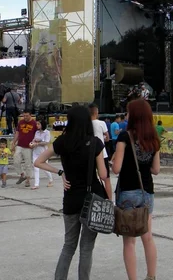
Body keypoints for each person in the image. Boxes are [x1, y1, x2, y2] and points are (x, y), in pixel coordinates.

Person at [34, 105, 108, 280]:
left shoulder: (62, 141)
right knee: (87, 248)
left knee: (68, 246)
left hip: (71, 197)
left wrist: (60, 172)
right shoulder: (95, 143)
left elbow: (38, 161)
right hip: (93, 200)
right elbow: (104, 175)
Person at [111, 99, 160, 280]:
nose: (126, 115)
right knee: (147, 237)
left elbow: (116, 168)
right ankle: (151, 276)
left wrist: (112, 163)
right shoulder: (153, 138)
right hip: (147, 192)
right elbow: (156, 170)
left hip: (128, 192)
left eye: (128, 112)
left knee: (129, 241)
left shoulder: (125, 137)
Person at [89, 104, 112, 198]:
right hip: (102, 153)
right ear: (96, 113)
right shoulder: (101, 123)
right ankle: (110, 200)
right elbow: (107, 138)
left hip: (90, 153)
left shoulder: (87, 124)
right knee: (106, 179)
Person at [12, 109, 37, 187]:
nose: (25, 117)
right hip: (20, 144)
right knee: (16, 160)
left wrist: (35, 143)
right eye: (24, 115)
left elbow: (37, 134)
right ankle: (22, 174)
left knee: (28, 163)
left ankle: (28, 179)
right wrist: (14, 142)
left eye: (27, 116)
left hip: (28, 146)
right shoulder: (21, 122)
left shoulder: (34, 123)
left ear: (30, 115)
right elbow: (17, 132)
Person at [31, 119, 53, 189]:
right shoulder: (36, 132)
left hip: (43, 153)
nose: (37, 125)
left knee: (45, 168)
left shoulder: (47, 132)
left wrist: (38, 143)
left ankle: (50, 179)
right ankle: (36, 184)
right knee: (35, 168)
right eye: (36, 124)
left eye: (38, 124)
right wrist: (32, 143)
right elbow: (34, 140)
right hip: (35, 152)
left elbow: (46, 142)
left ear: (42, 124)